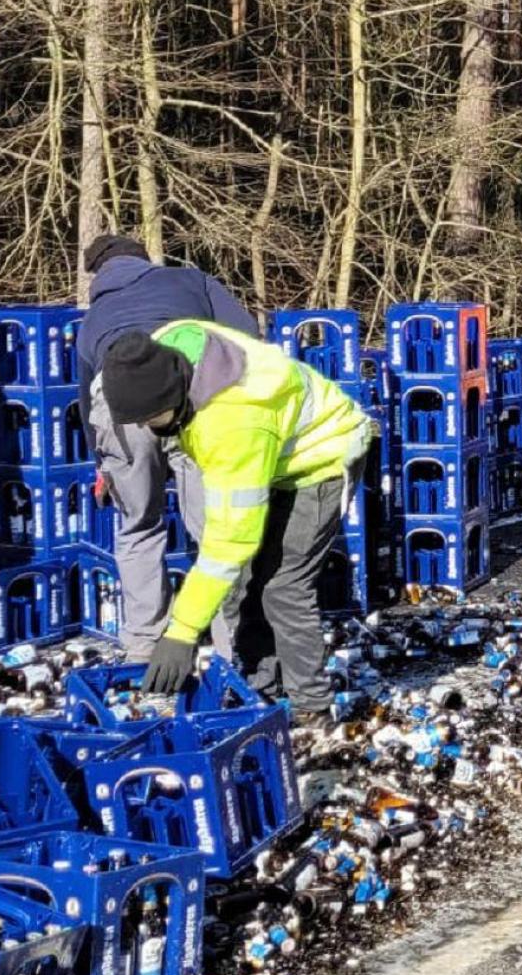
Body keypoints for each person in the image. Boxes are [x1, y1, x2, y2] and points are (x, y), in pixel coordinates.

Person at [101, 322, 372, 714]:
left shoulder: (232, 421)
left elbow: (230, 543)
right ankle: (260, 691)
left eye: (152, 417)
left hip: (323, 456)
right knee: (242, 584)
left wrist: (181, 632)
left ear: (173, 397)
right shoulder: (170, 344)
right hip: (273, 453)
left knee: (283, 587)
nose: (147, 426)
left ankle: (311, 707)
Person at [76, 235, 262, 664]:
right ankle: (232, 643)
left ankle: (142, 645)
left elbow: (89, 397)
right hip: (191, 394)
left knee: (138, 524)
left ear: (98, 275)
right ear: (147, 260)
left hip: (118, 408)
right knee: (214, 528)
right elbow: (248, 334)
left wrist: (100, 462)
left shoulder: (95, 316)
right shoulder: (190, 280)